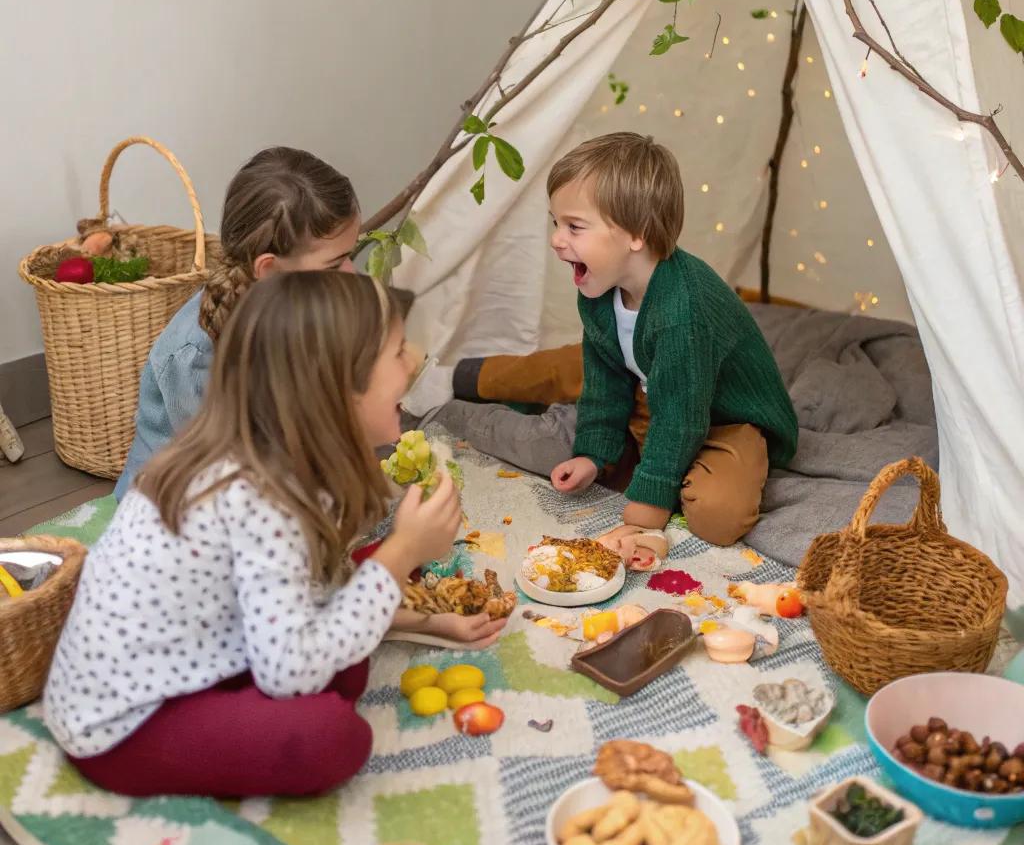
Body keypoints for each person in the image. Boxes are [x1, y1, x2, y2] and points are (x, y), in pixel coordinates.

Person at [44, 273, 475, 797]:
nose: (414, 362)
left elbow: (305, 597)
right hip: (122, 724)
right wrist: (400, 553)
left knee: (348, 665)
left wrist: (424, 616)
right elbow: (290, 674)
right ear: (339, 388)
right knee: (332, 737)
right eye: (398, 352)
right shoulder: (260, 494)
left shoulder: (276, 462)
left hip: (197, 656)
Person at [418, 134, 797, 553]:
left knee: (719, 514)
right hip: (650, 386)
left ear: (637, 234)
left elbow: (680, 418)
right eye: (556, 223)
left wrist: (646, 513)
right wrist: (592, 454)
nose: (556, 240)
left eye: (574, 227)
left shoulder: (683, 311)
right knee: (566, 368)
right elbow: (603, 380)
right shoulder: (600, 289)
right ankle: (454, 378)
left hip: (723, 416)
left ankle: (660, 463)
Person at [114, 146, 361, 501]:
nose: (352, 273)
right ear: (271, 270)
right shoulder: (193, 354)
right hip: (174, 503)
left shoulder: (297, 310)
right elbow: (214, 473)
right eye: (335, 265)